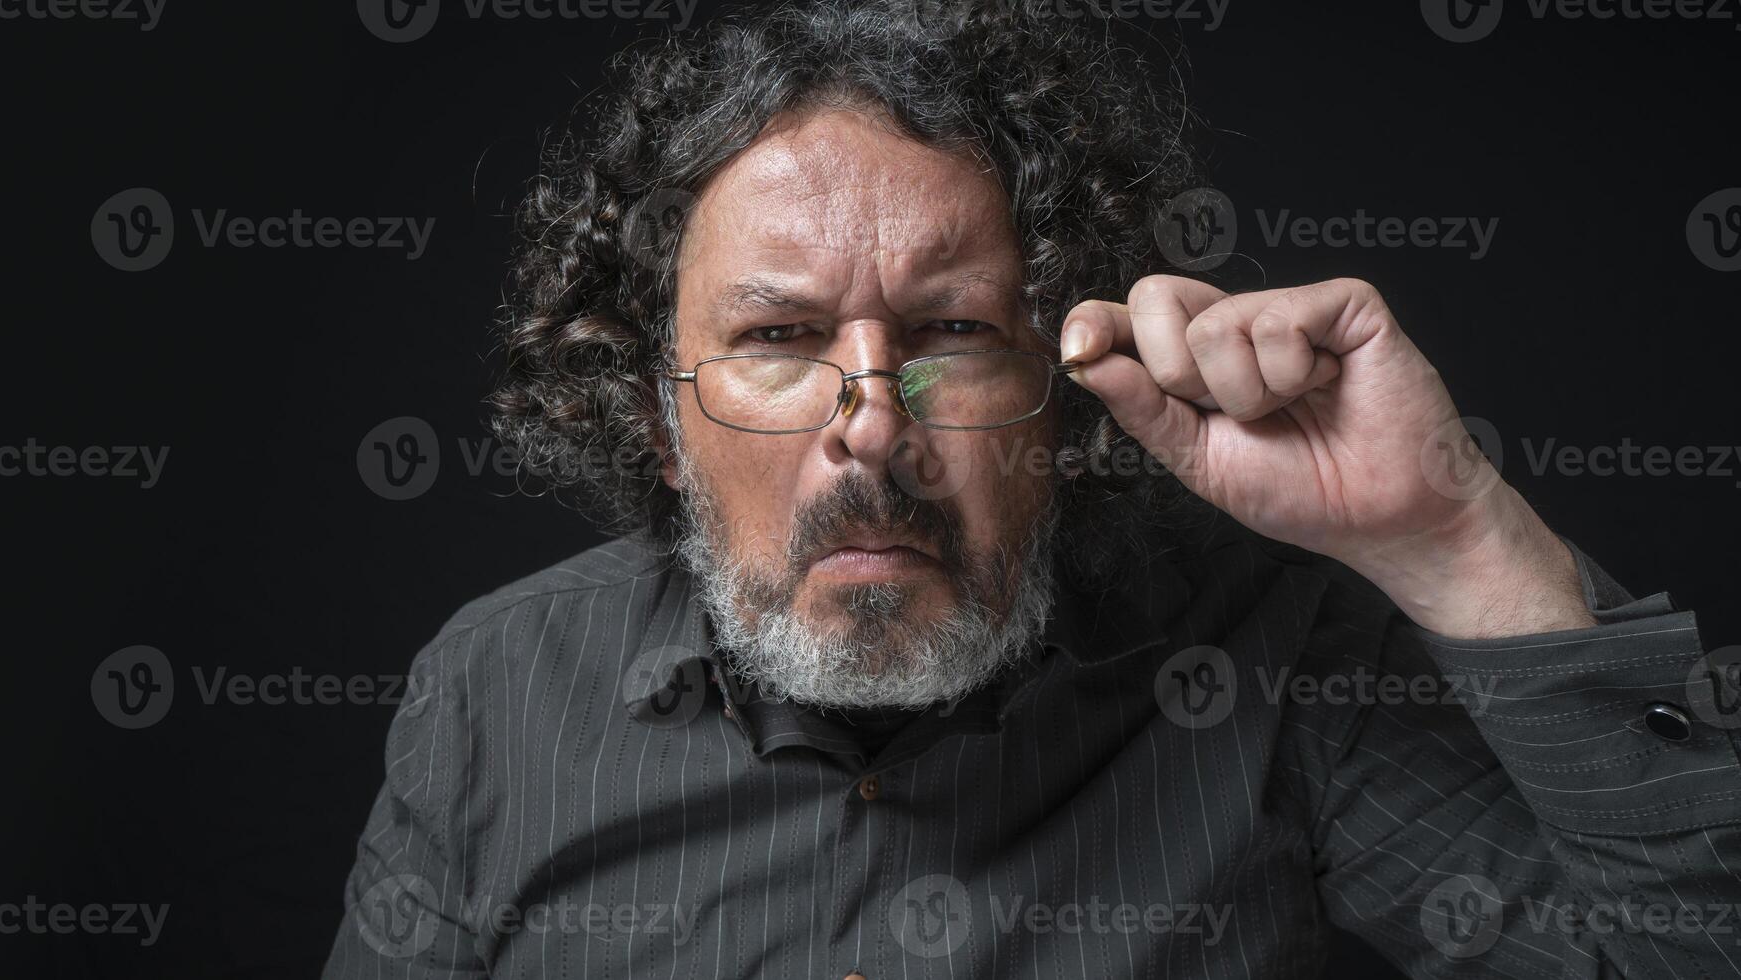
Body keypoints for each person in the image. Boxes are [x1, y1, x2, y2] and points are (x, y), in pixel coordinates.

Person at [322, 2, 1741, 976]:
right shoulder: (493, 694)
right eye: (776, 339)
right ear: (656, 405)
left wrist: (1456, 536)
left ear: (1064, 379)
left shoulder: (1266, 664)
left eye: (952, 333)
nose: (872, 430)